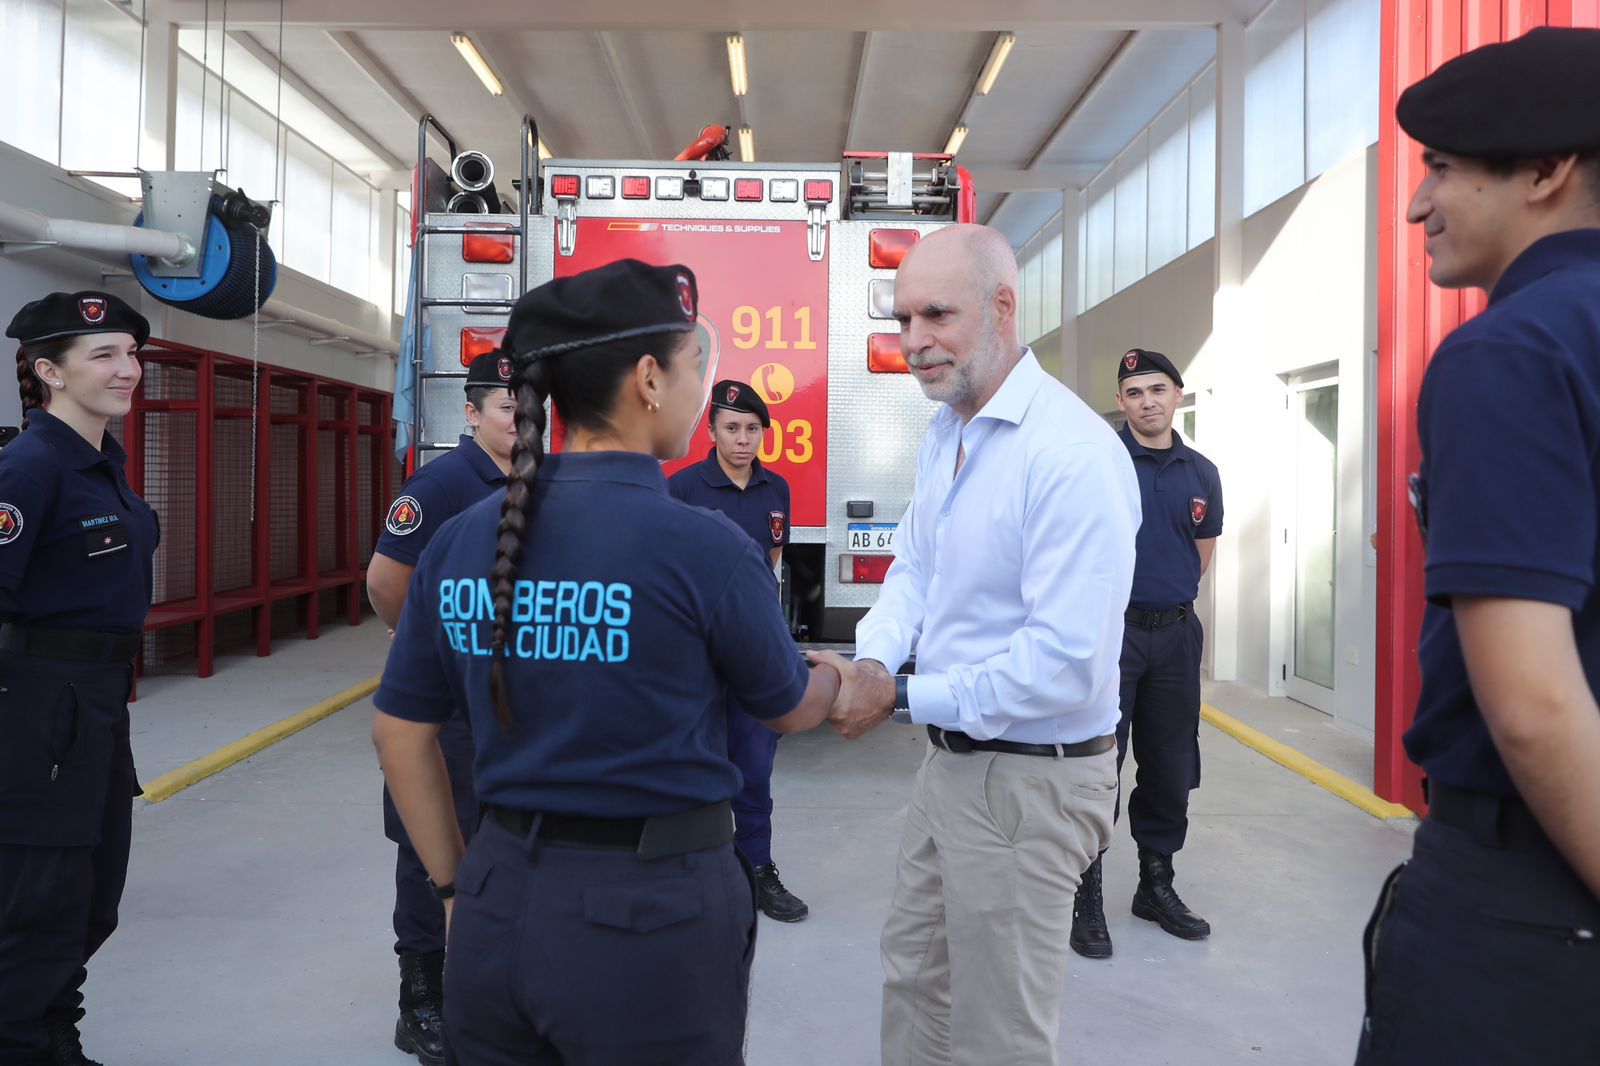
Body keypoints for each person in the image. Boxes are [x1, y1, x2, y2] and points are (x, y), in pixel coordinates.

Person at [371, 259, 841, 1065]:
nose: (701, 389)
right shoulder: (704, 548)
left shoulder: (460, 540)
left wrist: (455, 891)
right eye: (694, 366)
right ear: (650, 379)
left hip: (495, 905)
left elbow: (399, 733)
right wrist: (843, 678)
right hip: (651, 923)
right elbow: (790, 706)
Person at [813, 224, 1141, 1066]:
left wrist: (900, 696)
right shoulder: (949, 433)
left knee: (999, 1033)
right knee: (916, 980)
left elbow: (1064, 666)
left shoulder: (1070, 454)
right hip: (952, 764)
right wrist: (875, 660)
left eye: (936, 315)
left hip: (1033, 781)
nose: (914, 340)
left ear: (1002, 307)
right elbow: (915, 570)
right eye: (902, 319)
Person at [1355, 26, 1600, 1065]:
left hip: (1532, 911)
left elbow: (1533, 707)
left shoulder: (1513, 350)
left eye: (1443, 168)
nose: (1417, 205)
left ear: (1545, 172)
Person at [0, 292, 159, 1066]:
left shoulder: (104, 468)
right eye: (104, 355)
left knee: (91, 895)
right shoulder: (28, 470)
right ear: (49, 372)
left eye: (131, 354)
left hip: (97, 702)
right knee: (41, 896)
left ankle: (54, 1033)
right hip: (40, 706)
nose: (127, 369)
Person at [364, 351, 516, 1066]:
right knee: (430, 847)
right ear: (473, 412)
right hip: (449, 705)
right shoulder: (443, 485)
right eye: (509, 409)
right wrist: (430, 650)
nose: (523, 423)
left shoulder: (535, 484)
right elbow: (386, 581)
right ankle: (420, 1000)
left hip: (508, 701)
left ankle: (485, 987)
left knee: (500, 839)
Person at [1070, 347, 1222, 959]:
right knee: (1097, 763)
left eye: (1157, 389)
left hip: (1177, 637)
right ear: (1121, 402)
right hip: (1112, 636)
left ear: (1177, 395)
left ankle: (1155, 886)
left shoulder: (1202, 472)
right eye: (1134, 392)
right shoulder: (1099, 464)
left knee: (1170, 765)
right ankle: (1085, 893)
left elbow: (1200, 553)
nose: (1147, 401)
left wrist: (1166, 601)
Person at [667, 380, 808, 922]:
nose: (743, 439)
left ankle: (756, 870)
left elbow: (771, 559)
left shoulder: (777, 490)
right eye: (732, 428)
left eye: (752, 429)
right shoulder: (681, 489)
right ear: (712, 431)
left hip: (754, 651)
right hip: (696, 656)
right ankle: (693, 875)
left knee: (753, 766)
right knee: (694, 766)